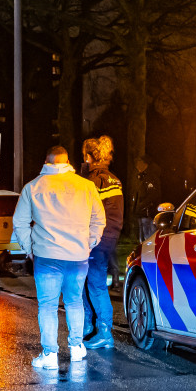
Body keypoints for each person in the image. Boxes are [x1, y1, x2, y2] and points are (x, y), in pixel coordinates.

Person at [13, 146, 106, 369]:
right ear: (68, 162)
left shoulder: (33, 187)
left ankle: (50, 355)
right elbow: (98, 219)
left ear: (46, 161)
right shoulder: (86, 186)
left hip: (46, 256)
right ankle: (75, 348)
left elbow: (20, 223)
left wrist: (29, 248)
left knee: (47, 305)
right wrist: (89, 243)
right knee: (75, 302)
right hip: (77, 255)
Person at [80, 136, 123, 349]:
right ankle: (94, 328)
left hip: (95, 237)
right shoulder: (113, 178)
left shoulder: (93, 180)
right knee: (92, 282)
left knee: (95, 284)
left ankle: (103, 331)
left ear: (88, 157)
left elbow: (84, 210)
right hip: (110, 237)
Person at [132, 155, 163, 240]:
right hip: (142, 213)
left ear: (144, 163)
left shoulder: (150, 177)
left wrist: (142, 206)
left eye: (138, 162)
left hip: (148, 214)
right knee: (142, 239)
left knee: (149, 238)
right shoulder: (142, 177)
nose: (136, 165)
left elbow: (153, 195)